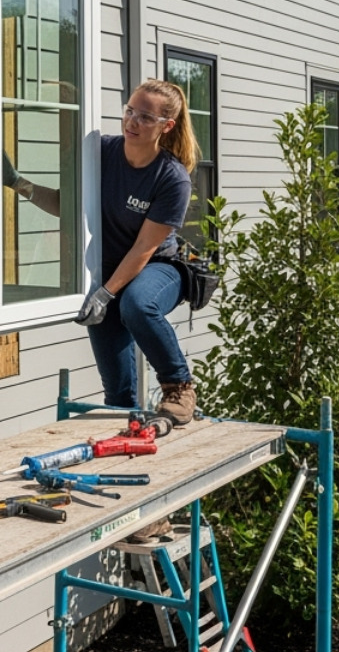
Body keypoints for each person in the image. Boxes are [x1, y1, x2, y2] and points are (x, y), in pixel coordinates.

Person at [74, 78, 201, 424]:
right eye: (130, 111)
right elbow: (66, 204)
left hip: (158, 268)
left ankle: (178, 387)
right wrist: (18, 184)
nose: (132, 122)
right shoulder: (102, 153)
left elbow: (145, 248)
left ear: (166, 126)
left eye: (145, 117)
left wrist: (105, 293)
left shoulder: (172, 178)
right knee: (117, 391)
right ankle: (125, 441)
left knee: (137, 305)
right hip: (111, 273)